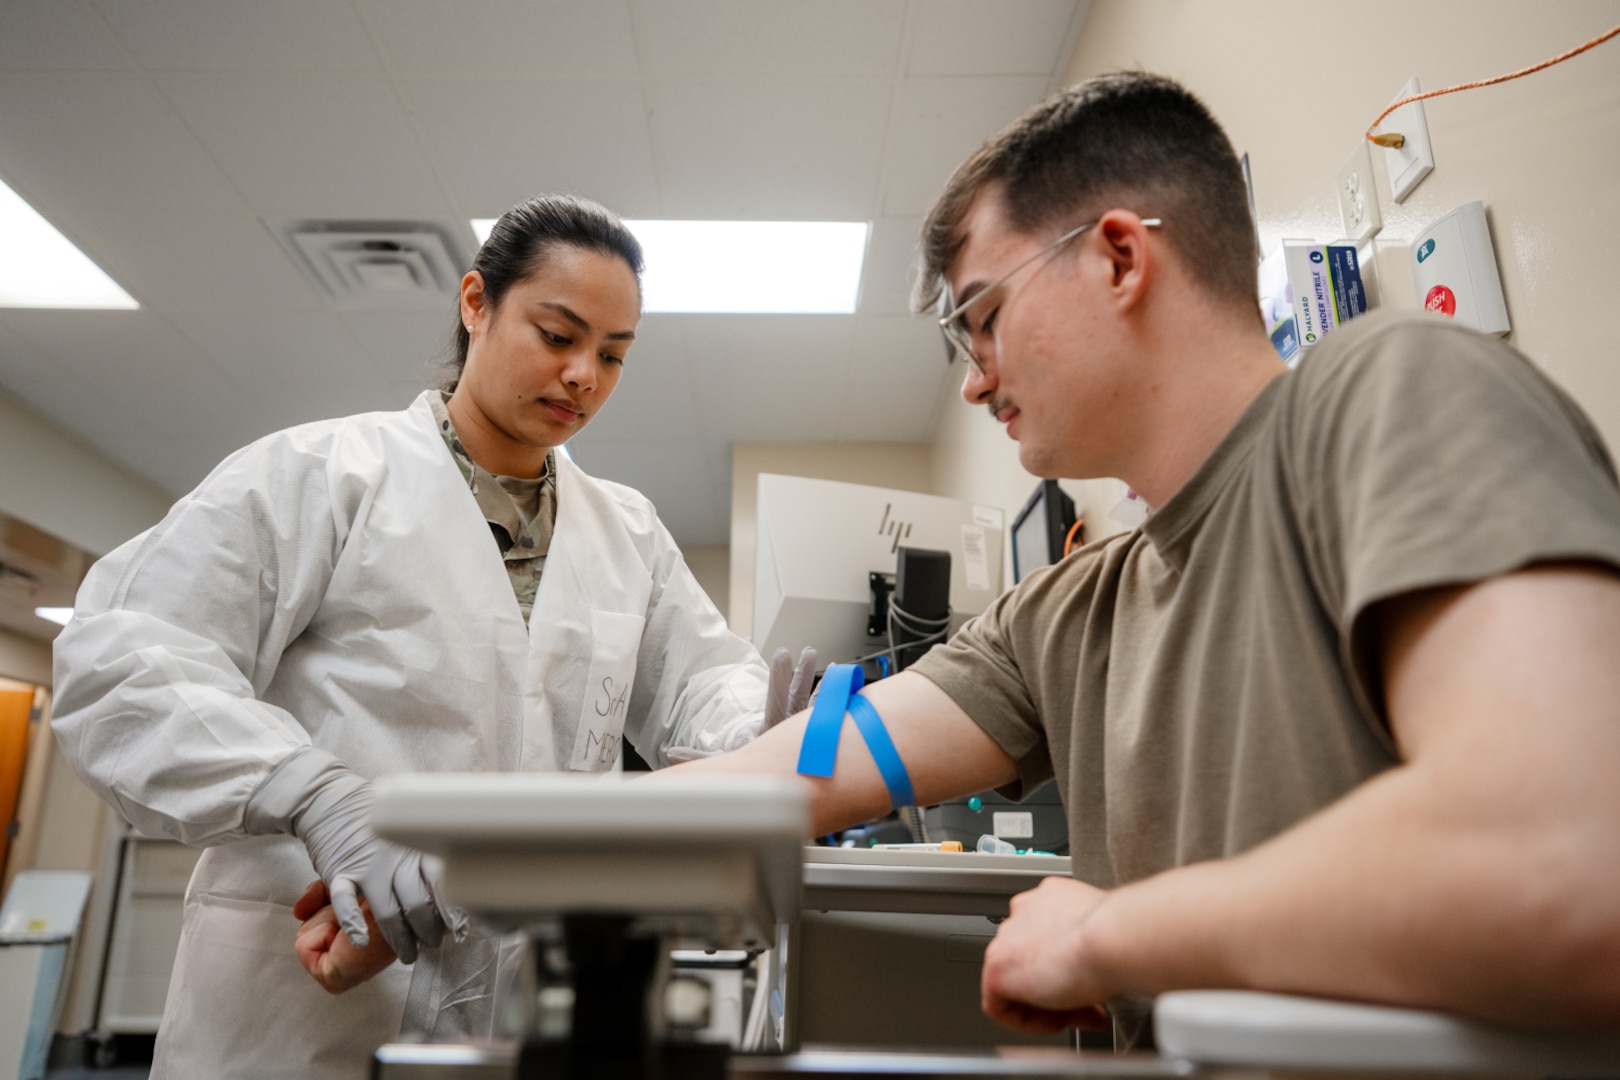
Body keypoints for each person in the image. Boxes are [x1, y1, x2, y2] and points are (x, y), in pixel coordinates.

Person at [668, 73, 1620, 1046]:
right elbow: (795, 770)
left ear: (1121, 257)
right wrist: (541, 833)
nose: (973, 380)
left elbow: (1573, 864)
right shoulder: (1062, 616)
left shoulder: (1393, 391)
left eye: (982, 317)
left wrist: (1108, 934)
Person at [50, 194, 813, 1079]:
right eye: (558, 335)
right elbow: (125, 661)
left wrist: (769, 729)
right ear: (475, 304)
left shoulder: (628, 532)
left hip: (519, 1000)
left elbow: (699, 679)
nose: (584, 377)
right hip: (298, 1006)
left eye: (612, 355)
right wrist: (316, 796)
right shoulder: (322, 476)